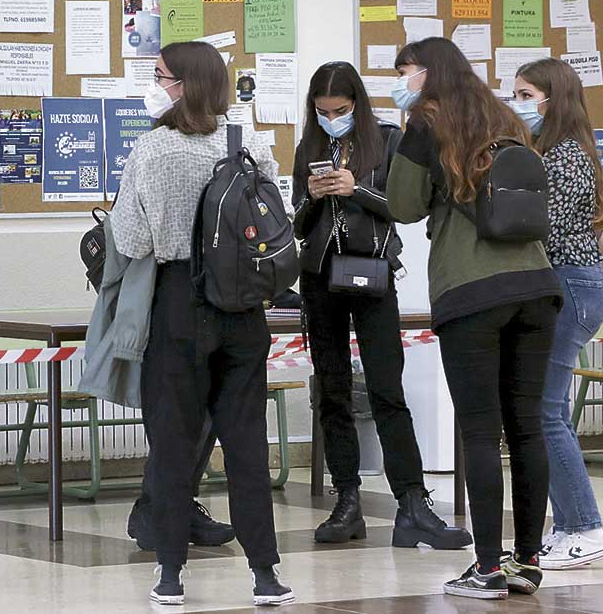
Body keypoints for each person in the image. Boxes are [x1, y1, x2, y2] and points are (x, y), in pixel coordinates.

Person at [109, 41, 293, 607]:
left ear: (184, 83)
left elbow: (132, 240)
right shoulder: (246, 142)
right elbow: (271, 217)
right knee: (246, 446)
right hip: (242, 309)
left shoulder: (151, 149)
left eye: (160, 75)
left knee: (173, 444)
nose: (153, 84)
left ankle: (169, 574)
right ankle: (265, 575)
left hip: (178, 306)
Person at [387, 37, 562, 600]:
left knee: (481, 430)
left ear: (428, 75)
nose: (402, 81)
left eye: (406, 72)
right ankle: (528, 561)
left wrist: (406, 139)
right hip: (536, 285)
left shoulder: (424, 122)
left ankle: (486, 568)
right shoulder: (508, 116)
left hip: (472, 289)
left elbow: (403, 205)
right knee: (527, 424)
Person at [291, 61, 472, 550]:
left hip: (372, 275)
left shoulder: (387, 140)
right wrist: (311, 197)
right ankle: (346, 500)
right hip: (319, 279)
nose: (332, 118)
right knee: (332, 392)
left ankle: (412, 501)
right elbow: (298, 223)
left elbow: (402, 207)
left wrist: (357, 189)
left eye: (341, 110)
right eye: (323, 111)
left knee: (387, 388)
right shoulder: (309, 146)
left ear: (358, 105)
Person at [513, 58, 603, 570]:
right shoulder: (551, 154)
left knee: (544, 414)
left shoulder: (566, 158)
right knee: (544, 412)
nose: (518, 104)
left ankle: (584, 526)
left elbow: (541, 230)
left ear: (553, 99)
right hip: (566, 287)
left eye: (527, 94)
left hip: (570, 288)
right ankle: (569, 522)